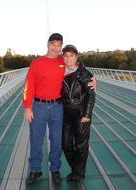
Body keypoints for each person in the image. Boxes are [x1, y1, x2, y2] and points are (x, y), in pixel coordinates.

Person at [22, 33, 96, 184]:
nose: (55, 48)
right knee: (36, 139)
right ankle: (35, 170)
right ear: (47, 45)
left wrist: (94, 80)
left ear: (60, 47)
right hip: (38, 106)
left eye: (58, 45)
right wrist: (27, 107)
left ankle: (55, 170)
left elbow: (78, 68)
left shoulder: (62, 62)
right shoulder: (37, 62)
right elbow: (28, 85)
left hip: (58, 106)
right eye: (53, 45)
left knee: (56, 140)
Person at [61, 44, 95, 183]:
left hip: (81, 114)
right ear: (63, 58)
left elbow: (91, 95)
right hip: (66, 114)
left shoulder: (85, 74)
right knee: (66, 145)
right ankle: (77, 169)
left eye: (72, 56)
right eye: (66, 56)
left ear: (76, 57)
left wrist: (87, 115)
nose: (69, 59)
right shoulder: (60, 72)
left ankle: (78, 173)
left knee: (81, 145)